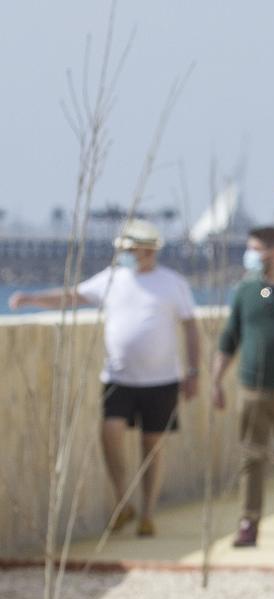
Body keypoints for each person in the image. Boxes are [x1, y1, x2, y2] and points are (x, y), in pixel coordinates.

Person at [10, 219, 199, 537]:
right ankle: (122, 499)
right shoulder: (112, 279)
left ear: (147, 250)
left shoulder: (173, 283)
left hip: (161, 381)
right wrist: (31, 299)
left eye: (129, 248)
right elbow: (72, 296)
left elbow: (191, 328)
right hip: (118, 379)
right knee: (110, 432)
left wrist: (193, 372)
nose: (124, 254)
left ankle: (147, 512)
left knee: (152, 446)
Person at [211, 227, 274, 548]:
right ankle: (248, 524)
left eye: (256, 249)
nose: (250, 255)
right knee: (251, 458)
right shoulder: (247, 290)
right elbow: (230, 337)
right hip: (252, 390)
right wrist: (216, 380)